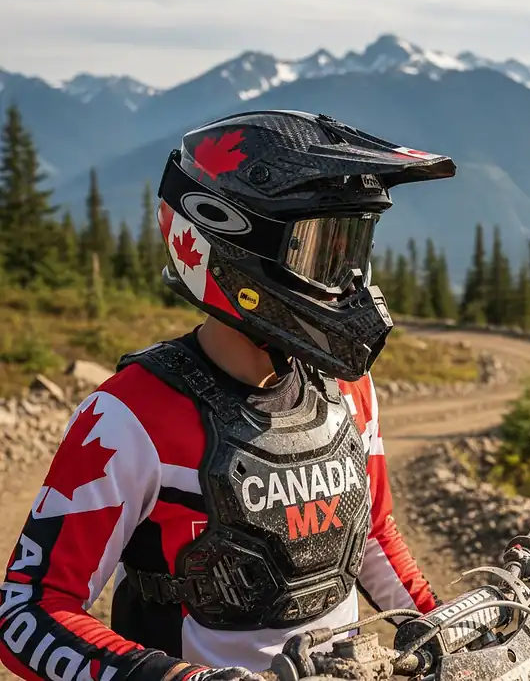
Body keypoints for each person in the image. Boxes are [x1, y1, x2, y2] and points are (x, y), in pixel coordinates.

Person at [0, 111, 457, 681]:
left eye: (352, 249)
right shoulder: (129, 416)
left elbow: (372, 533)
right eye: (321, 252)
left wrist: (445, 630)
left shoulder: (348, 390)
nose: (347, 281)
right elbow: (28, 610)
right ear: (236, 245)